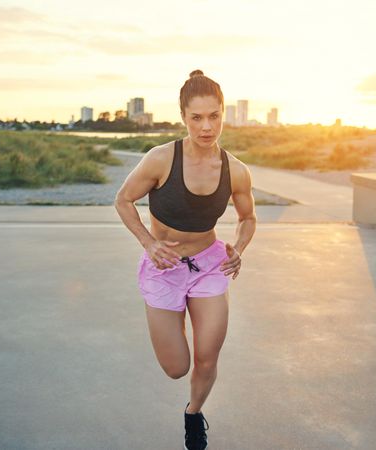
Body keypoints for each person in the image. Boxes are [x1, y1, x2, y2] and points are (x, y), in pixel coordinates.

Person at [114, 69, 256, 450]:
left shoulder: (236, 170)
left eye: (214, 116)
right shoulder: (161, 160)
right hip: (164, 270)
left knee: (206, 359)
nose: (207, 127)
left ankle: (194, 415)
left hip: (209, 265)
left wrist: (238, 249)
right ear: (184, 117)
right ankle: (170, 314)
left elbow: (248, 218)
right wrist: (147, 242)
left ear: (224, 114)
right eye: (197, 117)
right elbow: (123, 200)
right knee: (177, 367)